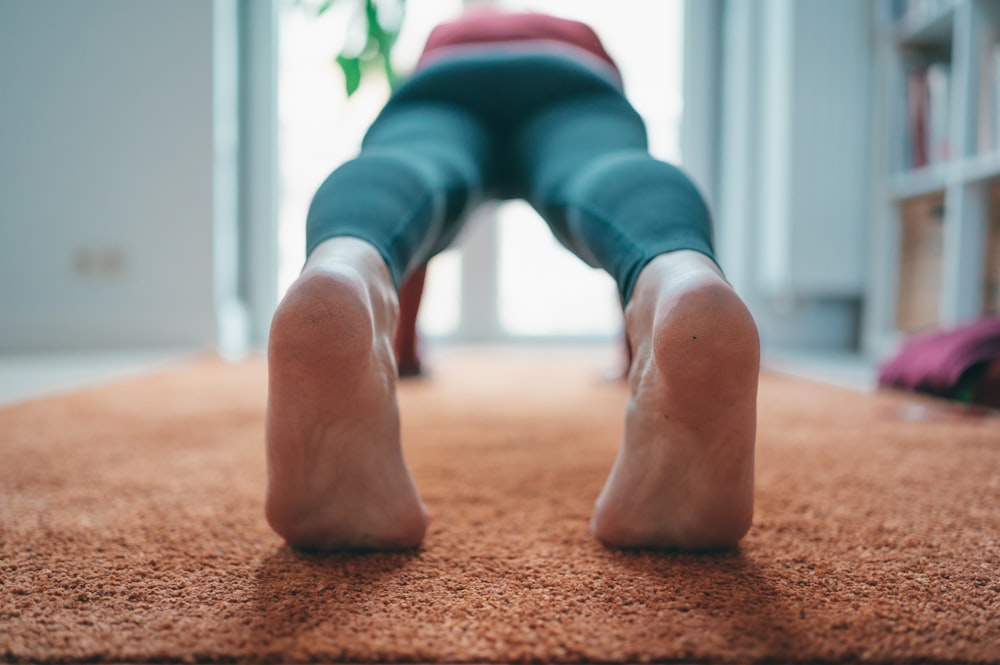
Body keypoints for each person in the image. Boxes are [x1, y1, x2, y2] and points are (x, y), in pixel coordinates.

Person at [264, 9, 760, 552]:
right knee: (606, 168)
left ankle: (345, 264)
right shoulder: (581, 32)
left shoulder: (444, 36)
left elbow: (410, 263)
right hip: (569, 77)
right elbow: (648, 288)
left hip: (445, 81)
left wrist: (399, 353)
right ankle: (678, 275)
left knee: (410, 166)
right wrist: (636, 352)